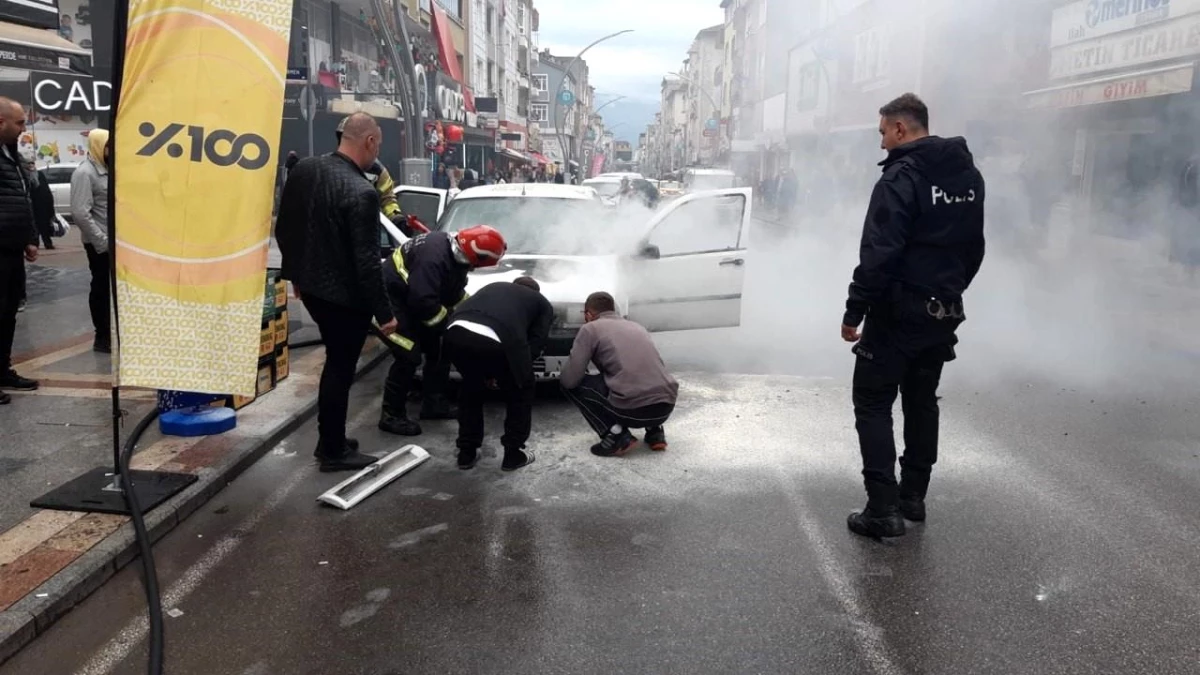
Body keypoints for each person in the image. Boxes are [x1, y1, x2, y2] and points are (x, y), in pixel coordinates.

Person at [841, 93, 985, 539]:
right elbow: (974, 246)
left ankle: (882, 509)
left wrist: (854, 310)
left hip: (898, 313)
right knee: (922, 402)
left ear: (901, 129)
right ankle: (912, 498)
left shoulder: (900, 177)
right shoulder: (968, 176)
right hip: (943, 312)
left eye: (883, 132)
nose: (882, 143)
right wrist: (951, 291)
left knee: (873, 402)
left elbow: (879, 253)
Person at [277, 112, 397, 472]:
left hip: (313, 288)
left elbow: (287, 228)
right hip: (344, 298)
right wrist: (385, 313)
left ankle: (333, 438)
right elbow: (367, 262)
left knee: (336, 365)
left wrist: (297, 272)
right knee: (339, 371)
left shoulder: (305, 170)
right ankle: (332, 450)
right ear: (370, 142)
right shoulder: (363, 192)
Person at [379, 225, 506, 436]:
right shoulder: (434, 258)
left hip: (410, 300)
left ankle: (434, 405)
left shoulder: (455, 254)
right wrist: (448, 325)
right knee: (408, 355)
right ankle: (391, 416)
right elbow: (424, 301)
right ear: (476, 255)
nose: (474, 268)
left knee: (439, 348)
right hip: (388, 306)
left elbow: (454, 293)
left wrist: (471, 311)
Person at [444, 276, 552, 471]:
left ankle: (466, 453)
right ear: (535, 292)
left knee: (471, 388)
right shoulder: (541, 302)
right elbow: (534, 345)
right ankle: (513, 454)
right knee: (521, 391)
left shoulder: (494, 286)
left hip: (455, 332)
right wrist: (515, 374)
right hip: (497, 337)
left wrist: (495, 370)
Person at [561, 291, 678, 457]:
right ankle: (655, 432)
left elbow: (569, 380)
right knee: (644, 374)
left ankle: (616, 435)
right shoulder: (637, 326)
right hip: (666, 408)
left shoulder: (590, 328)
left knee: (570, 384)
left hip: (634, 412)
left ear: (588, 314)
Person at [0, 97, 38, 403]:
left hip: (12, 248)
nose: (24, 128)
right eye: (20, 122)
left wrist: (29, 237)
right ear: (1, 123)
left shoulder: (10, 153)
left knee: (9, 311)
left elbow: (23, 198)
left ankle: (3, 369)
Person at [70, 129, 113, 353]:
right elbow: (80, 213)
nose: (112, 151)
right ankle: (102, 336)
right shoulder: (85, 173)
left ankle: (112, 332)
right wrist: (102, 241)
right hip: (99, 244)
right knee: (100, 289)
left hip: (114, 243)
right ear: (98, 145)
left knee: (112, 290)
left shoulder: (107, 170)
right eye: (108, 146)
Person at [334, 117, 412, 235]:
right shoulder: (330, 167)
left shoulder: (378, 171)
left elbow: (387, 199)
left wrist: (397, 219)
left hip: (365, 230)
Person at [24, 154, 55, 250]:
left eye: (32, 163)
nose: (31, 165)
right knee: (33, 226)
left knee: (44, 225)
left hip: (42, 205)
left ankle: (47, 243)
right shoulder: (25, 176)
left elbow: (46, 190)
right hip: (31, 205)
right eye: (28, 163)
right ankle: (34, 244)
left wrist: (50, 205)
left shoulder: (40, 175)